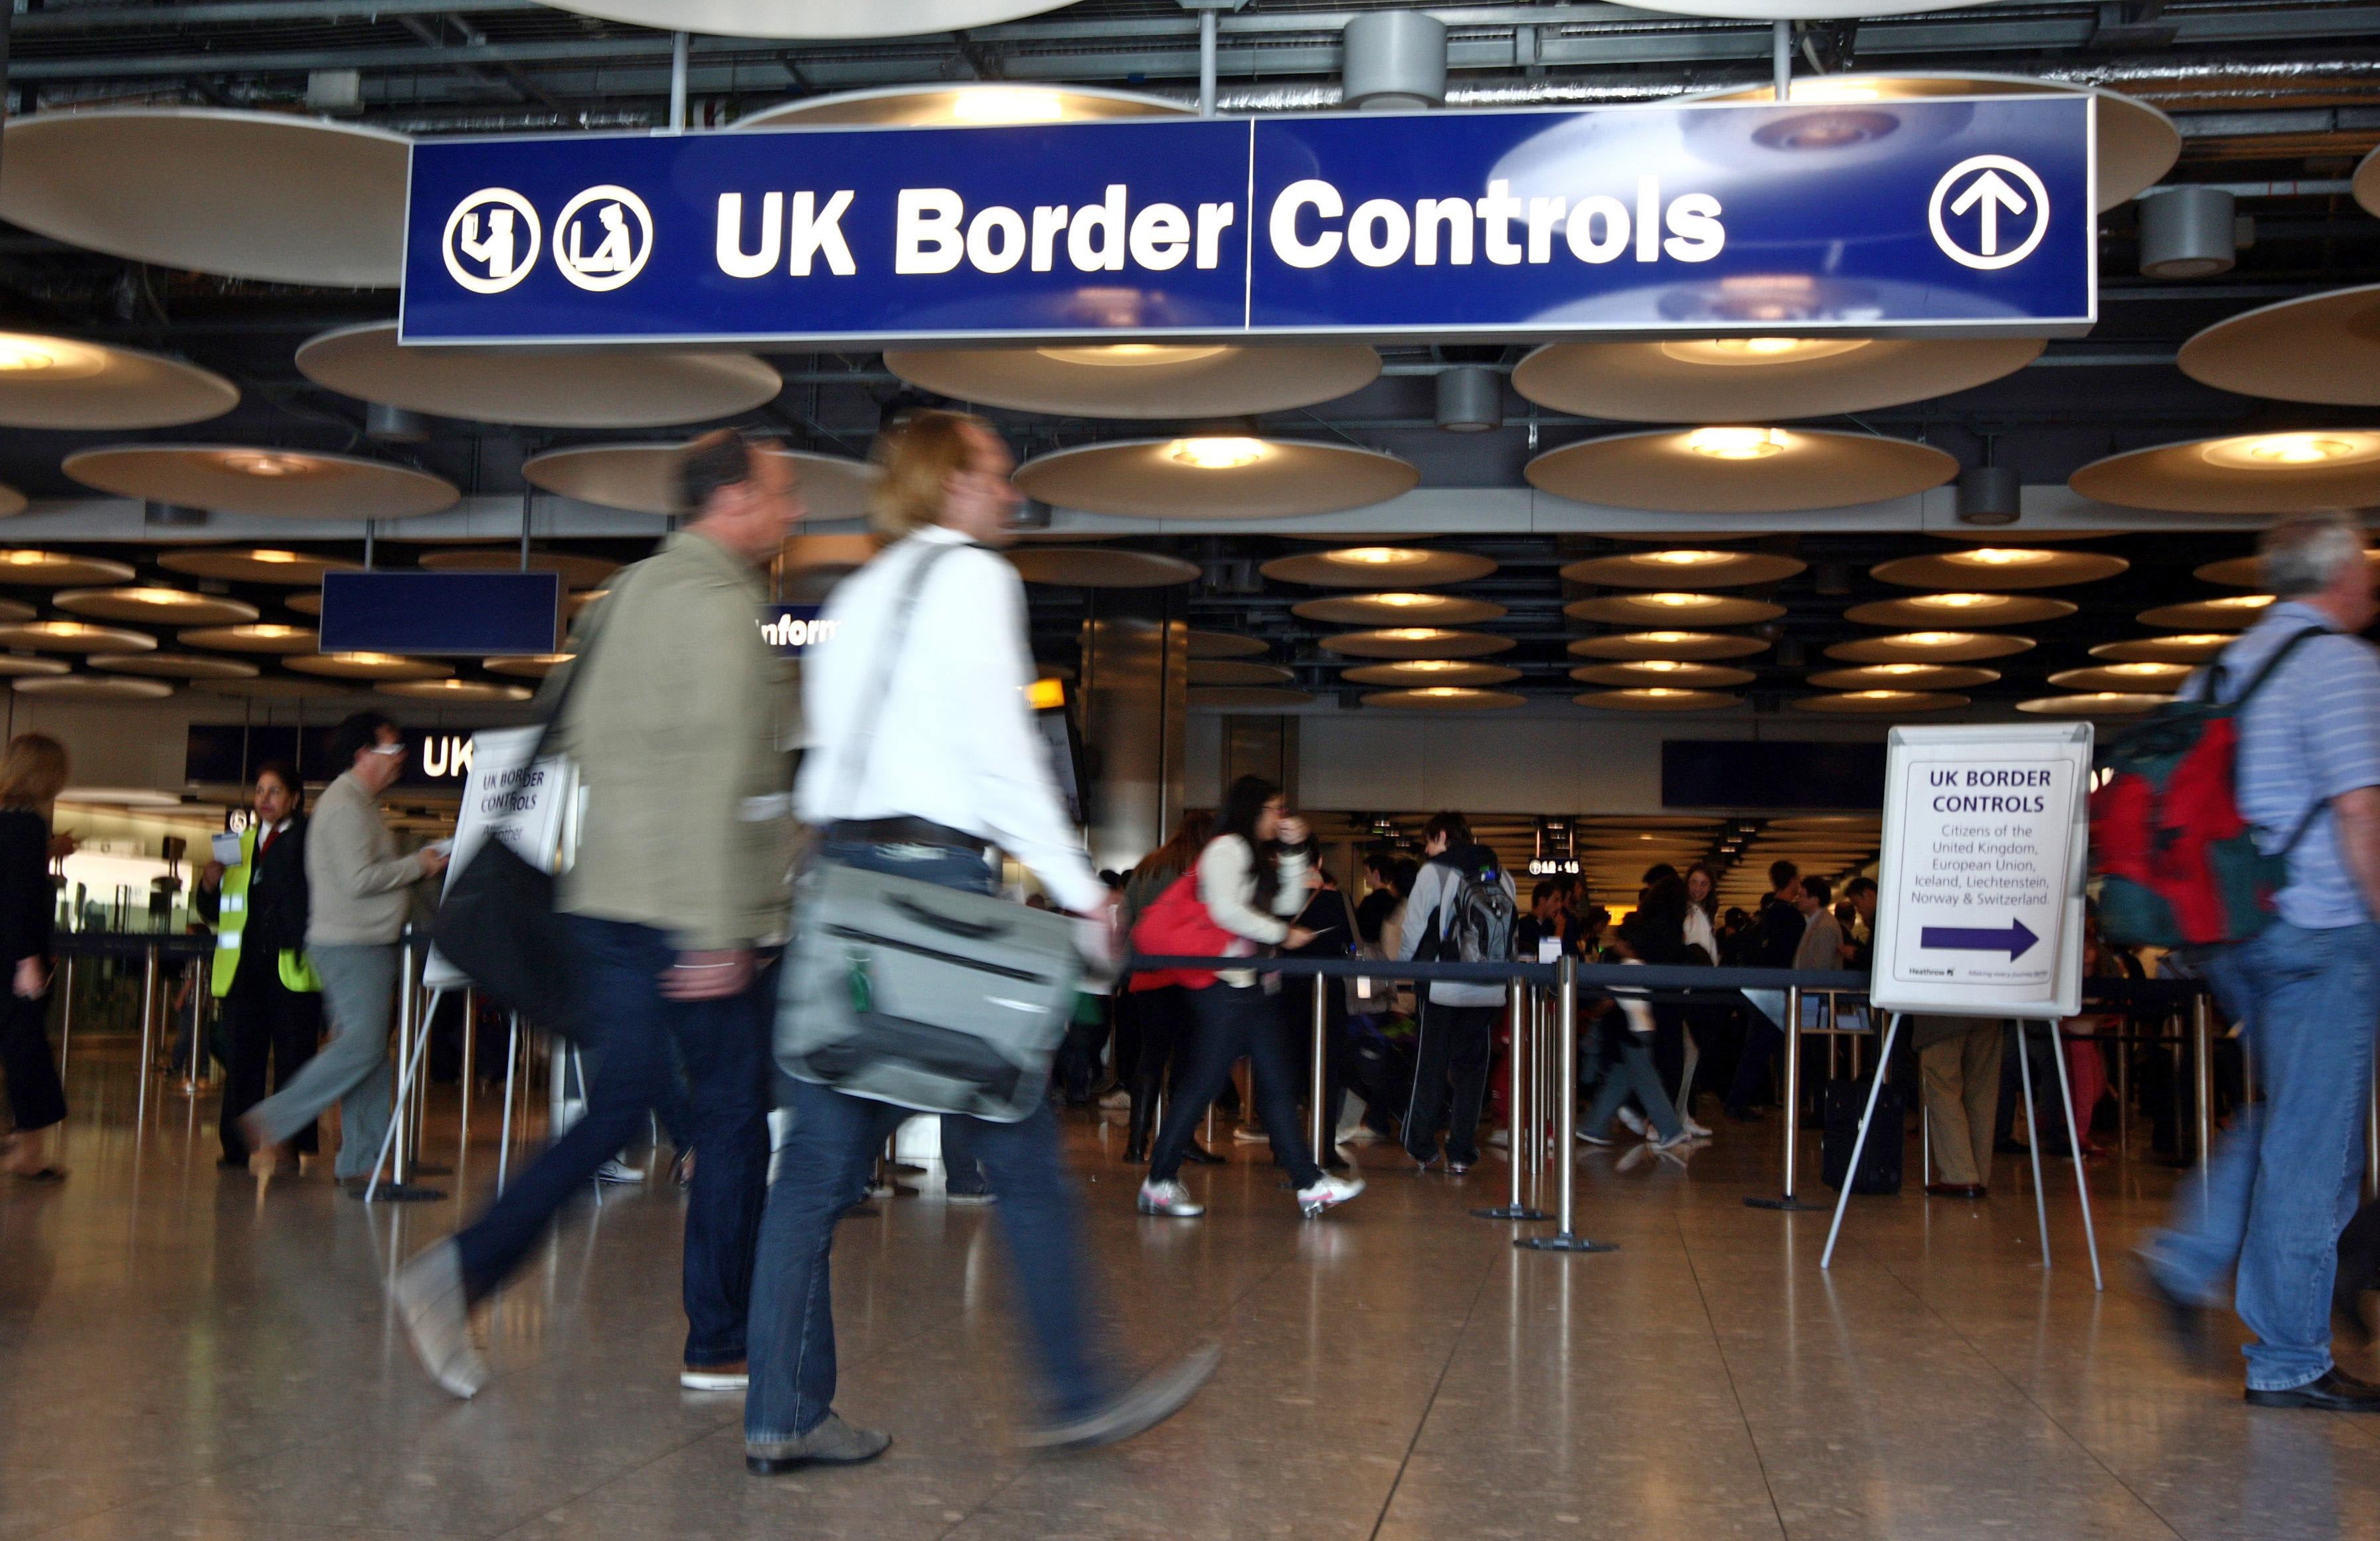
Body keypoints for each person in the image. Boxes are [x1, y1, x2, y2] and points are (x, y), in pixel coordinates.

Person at [746, 408, 1219, 1471]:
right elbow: (1005, 763)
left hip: (845, 895)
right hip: (936, 897)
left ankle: (779, 1411)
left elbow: (819, 771)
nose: (1010, 495)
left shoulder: (856, 597)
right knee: (1021, 1151)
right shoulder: (974, 580)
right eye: (996, 475)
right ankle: (1079, 1390)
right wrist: (1083, 896)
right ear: (948, 483)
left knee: (814, 1171)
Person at [390, 430, 802, 1402]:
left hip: (604, 899)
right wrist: (716, 927)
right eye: (782, 495)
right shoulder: (719, 611)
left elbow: (562, 725)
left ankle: (462, 1271)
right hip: (686, 917)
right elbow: (716, 773)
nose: (792, 514)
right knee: (736, 1117)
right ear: (734, 500)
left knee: (619, 1108)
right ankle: (718, 1341)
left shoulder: (622, 603)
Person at [2140, 512, 2380, 1410]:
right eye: (2365, 565)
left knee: (2295, 1119)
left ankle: (2189, 1252)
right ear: (2338, 575)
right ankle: (2289, 1359)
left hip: (2235, 933)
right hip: (2322, 931)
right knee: (2316, 1152)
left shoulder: (2222, 670)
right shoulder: (2340, 667)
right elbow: (2362, 814)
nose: (2371, 582)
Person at [1137, 775, 1363, 1218]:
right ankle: (1159, 1180)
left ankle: (1308, 1182)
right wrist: (1283, 935)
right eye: (1274, 808)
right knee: (1207, 1083)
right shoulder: (1226, 849)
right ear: (1252, 810)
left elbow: (1283, 901)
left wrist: (1297, 854)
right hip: (1224, 985)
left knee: (1275, 1083)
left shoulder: (1251, 855)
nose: (1280, 817)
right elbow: (1227, 911)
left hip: (1245, 986)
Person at [241, 713, 447, 1190]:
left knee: (372, 1057)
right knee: (362, 1047)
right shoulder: (345, 807)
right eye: (391, 752)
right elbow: (359, 880)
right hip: (351, 944)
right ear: (362, 756)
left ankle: (362, 1159)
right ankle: (274, 1119)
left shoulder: (359, 804)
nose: (401, 762)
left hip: (364, 943)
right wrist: (418, 864)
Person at [195, 762, 322, 1173]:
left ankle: (290, 1144)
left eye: (275, 791)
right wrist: (209, 885)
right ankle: (236, 1145)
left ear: (294, 799)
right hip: (245, 970)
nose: (265, 799)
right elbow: (218, 913)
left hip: (291, 968)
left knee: (294, 1062)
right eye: (260, 791)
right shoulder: (239, 845)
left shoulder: (309, 843)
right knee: (242, 1060)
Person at [1396, 811, 1516, 1174]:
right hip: (1489, 987)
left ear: (1444, 836)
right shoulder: (1501, 873)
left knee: (1429, 1067)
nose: (1428, 850)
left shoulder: (1434, 872)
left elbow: (1414, 929)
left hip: (1442, 985)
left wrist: (1402, 969)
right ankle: (1462, 1151)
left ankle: (1422, 1146)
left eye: (1429, 841)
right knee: (1471, 1072)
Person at [1118, 812, 1220, 1166]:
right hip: (1189, 974)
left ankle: (1135, 1144)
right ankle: (1180, 1140)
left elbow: (1125, 918)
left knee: (1151, 1056)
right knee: (1188, 1060)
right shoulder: (1204, 867)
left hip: (1147, 972)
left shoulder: (1148, 865)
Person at [0, 735, 68, 1182]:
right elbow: (20, 898)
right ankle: (29, 1152)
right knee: (27, 1051)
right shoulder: (27, 826)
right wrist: (29, 961)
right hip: (14, 957)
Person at [1723, 861, 1805, 1122]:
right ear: (1791, 881)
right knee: (1769, 1047)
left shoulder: (1766, 914)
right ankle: (1790, 1103)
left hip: (1760, 989)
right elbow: (1794, 956)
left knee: (1761, 1047)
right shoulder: (1791, 917)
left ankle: (1748, 1101)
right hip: (1779, 990)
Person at [1915, 1016, 2003, 1200]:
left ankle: (1960, 1176)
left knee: (1942, 1085)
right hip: (1992, 1005)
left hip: (1942, 1011)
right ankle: (1980, 1175)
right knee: (1982, 1091)